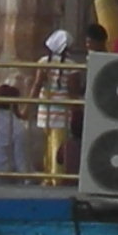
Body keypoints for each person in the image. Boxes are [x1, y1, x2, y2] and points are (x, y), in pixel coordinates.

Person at [36, 30, 82, 178]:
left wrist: (26, 108)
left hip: (45, 112)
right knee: (58, 147)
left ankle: (48, 177)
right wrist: (77, 109)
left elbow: (36, 84)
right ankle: (57, 178)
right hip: (62, 113)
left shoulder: (43, 62)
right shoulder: (72, 65)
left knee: (48, 147)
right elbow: (73, 91)